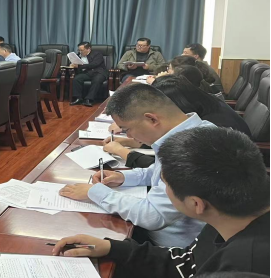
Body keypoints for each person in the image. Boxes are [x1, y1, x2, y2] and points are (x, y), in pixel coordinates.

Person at [52, 127, 269, 278]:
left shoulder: (244, 266)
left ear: (196, 204)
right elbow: (187, 261)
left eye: (163, 185)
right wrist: (112, 248)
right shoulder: (229, 216)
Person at [59, 83, 213, 247]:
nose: (129, 136)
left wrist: (95, 192)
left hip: (171, 250)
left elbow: (153, 216)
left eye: (127, 129)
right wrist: (123, 177)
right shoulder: (198, 129)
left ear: (152, 119)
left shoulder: (191, 150)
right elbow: (159, 171)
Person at [104, 75, 252, 168]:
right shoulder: (204, 108)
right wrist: (131, 141)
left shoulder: (208, 134)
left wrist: (121, 151)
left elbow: (169, 169)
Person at [70, 42, 108, 107]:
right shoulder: (79, 55)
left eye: (82, 50)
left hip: (99, 72)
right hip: (87, 73)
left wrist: (79, 66)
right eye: (79, 50)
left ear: (88, 49)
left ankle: (89, 99)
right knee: (77, 79)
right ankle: (78, 98)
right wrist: (72, 65)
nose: (80, 52)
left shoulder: (97, 54)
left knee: (97, 80)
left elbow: (94, 64)